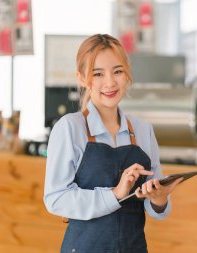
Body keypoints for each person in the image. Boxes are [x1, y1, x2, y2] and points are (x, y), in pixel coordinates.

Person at [43, 34, 182, 253]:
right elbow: (56, 198)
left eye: (117, 71)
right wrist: (115, 194)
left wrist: (160, 198)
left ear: (127, 73)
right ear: (81, 78)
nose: (110, 82)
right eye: (98, 74)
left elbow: (156, 209)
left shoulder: (144, 131)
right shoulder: (70, 128)